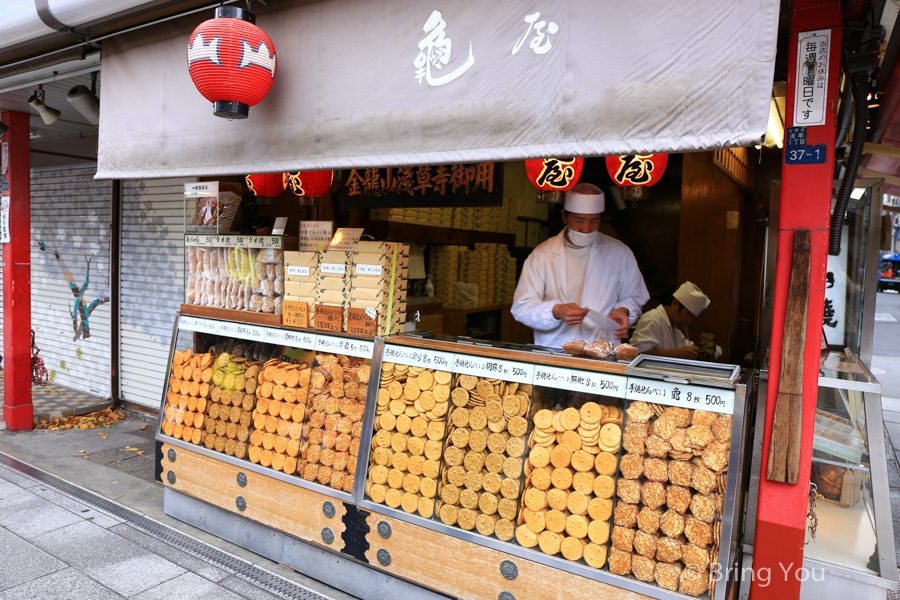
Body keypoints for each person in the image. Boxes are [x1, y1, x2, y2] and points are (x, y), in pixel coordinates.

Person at [511, 183, 649, 348]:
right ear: (564, 216)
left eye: (593, 221)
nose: (586, 228)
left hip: (602, 349)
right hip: (554, 350)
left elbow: (634, 297)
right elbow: (522, 307)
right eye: (579, 220)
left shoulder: (619, 252)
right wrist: (556, 311)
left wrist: (624, 311)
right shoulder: (542, 255)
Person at [629, 281, 710, 359]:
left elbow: (687, 346)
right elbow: (638, 353)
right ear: (675, 304)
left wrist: (701, 349)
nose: (688, 321)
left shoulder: (673, 328)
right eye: (688, 314)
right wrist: (677, 353)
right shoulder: (652, 319)